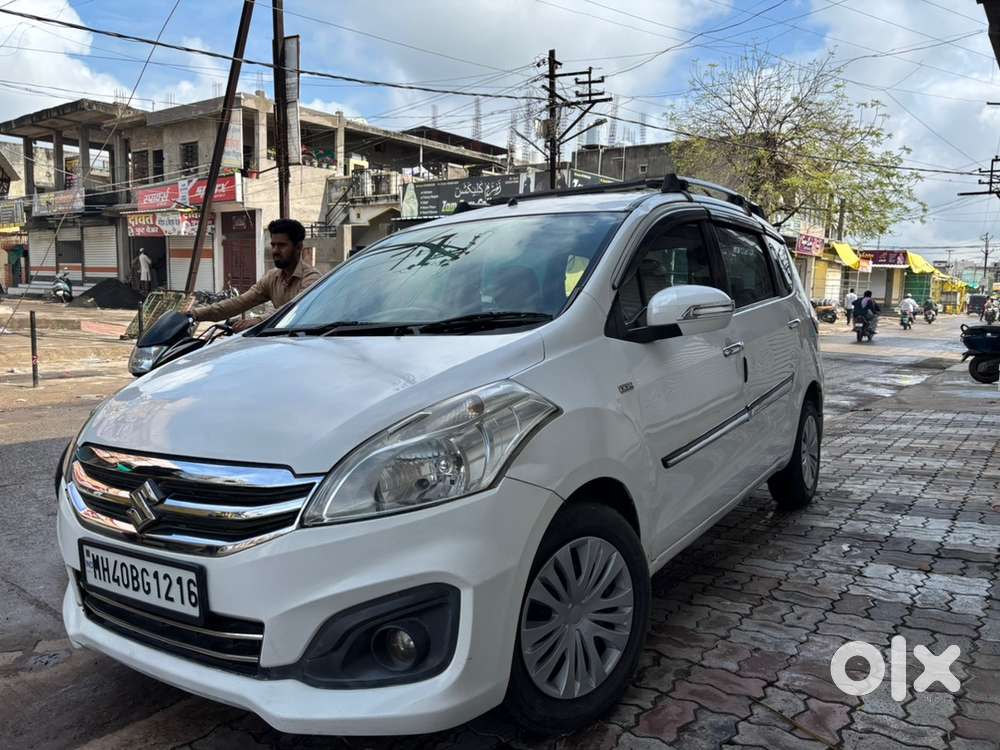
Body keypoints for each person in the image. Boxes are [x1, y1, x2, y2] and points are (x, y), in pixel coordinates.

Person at [190, 218, 320, 331]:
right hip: (277, 342)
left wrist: (258, 320)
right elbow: (240, 302)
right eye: (273, 245)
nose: (275, 251)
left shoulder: (312, 279)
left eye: (281, 245)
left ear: (298, 247)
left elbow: (293, 309)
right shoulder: (273, 277)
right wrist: (194, 314)